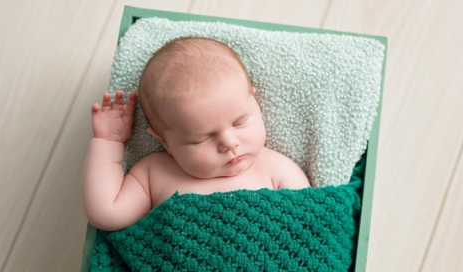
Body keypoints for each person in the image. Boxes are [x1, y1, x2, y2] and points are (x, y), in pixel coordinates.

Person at [82, 37, 310, 231]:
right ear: (165, 142)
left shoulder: (276, 168)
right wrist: (108, 141)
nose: (230, 143)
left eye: (239, 122)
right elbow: (106, 213)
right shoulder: (155, 172)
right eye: (203, 138)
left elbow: (310, 224)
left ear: (255, 100)